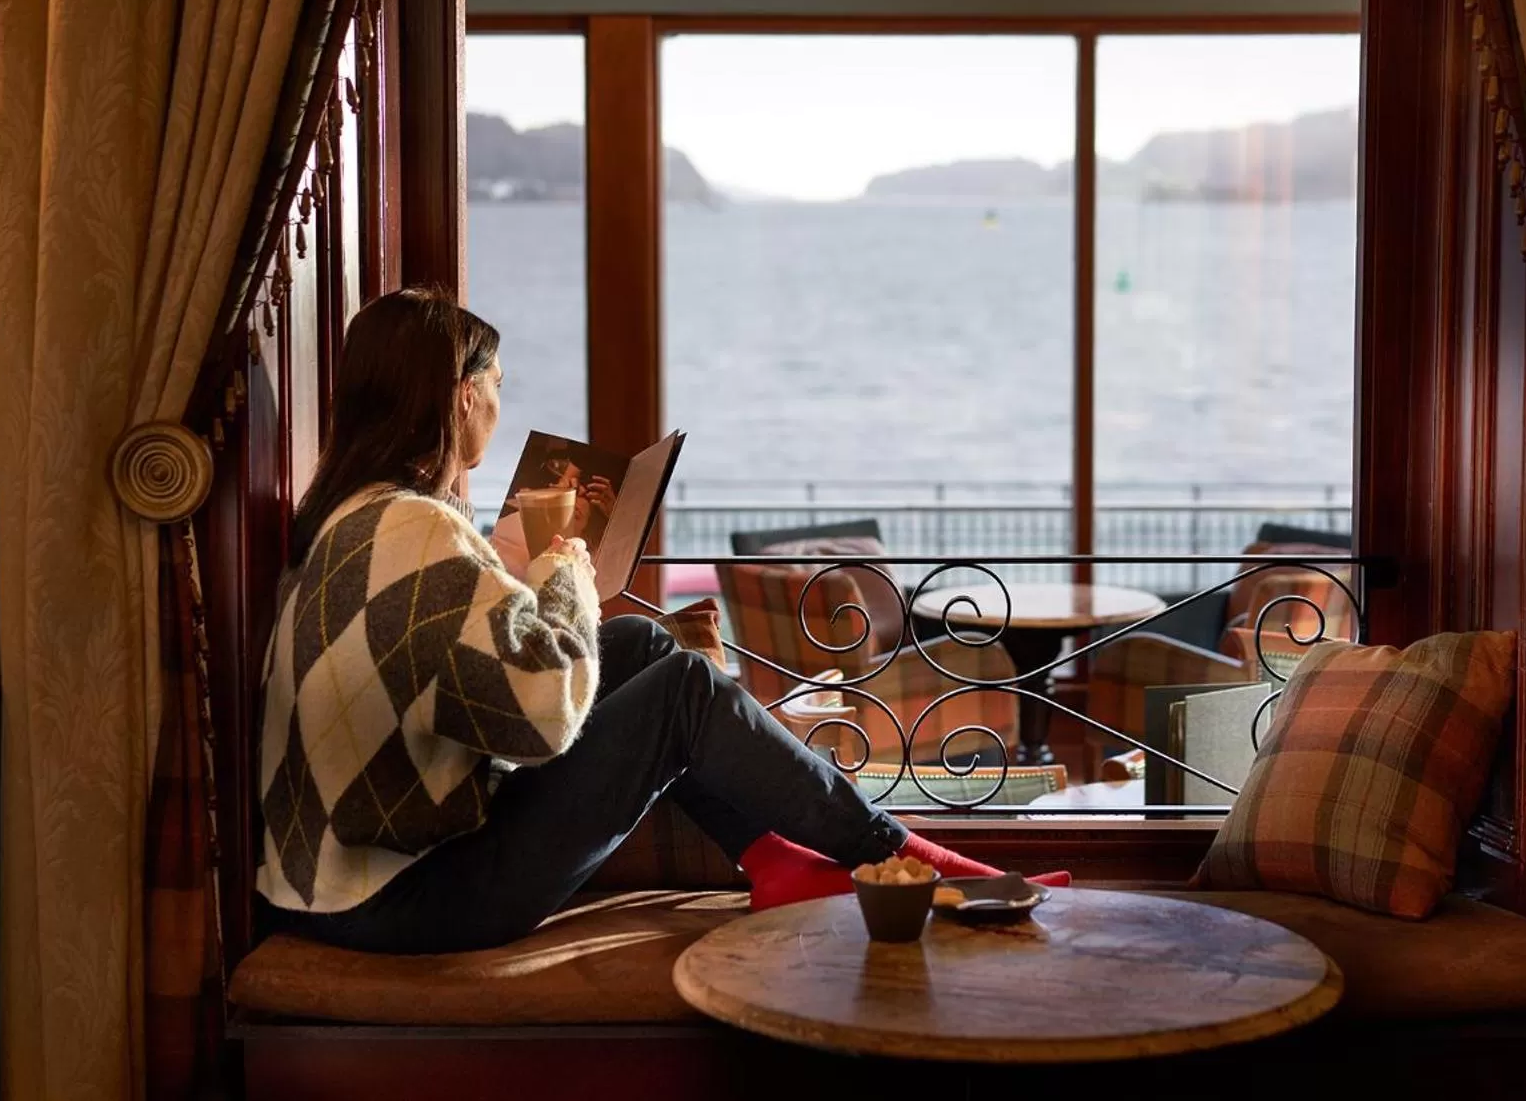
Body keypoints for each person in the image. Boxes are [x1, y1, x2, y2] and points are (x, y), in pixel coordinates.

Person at [252, 287, 1060, 955]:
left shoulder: (352, 521)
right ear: (463, 397)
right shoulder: (419, 531)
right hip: (409, 898)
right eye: (498, 383)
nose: (500, 402)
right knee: (679, 691)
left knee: (640, 642)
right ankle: (903, 859)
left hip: (334, 885)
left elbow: (466, 697)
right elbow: (540, 716)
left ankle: (772, 856)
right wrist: (563, 567)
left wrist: (522, 584)